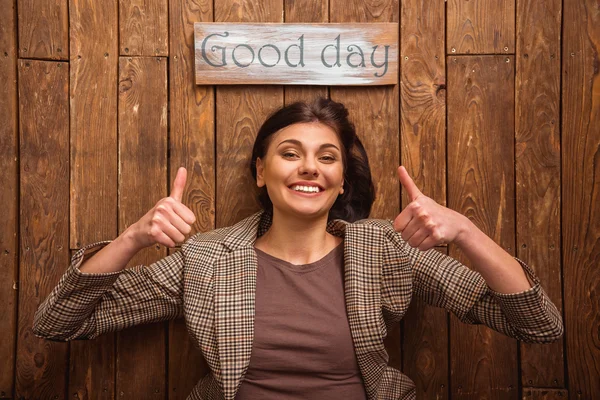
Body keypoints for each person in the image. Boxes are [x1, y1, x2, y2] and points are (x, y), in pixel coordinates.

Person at [33, 97, 563, 400]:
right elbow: (59, 322)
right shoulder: (208, 260)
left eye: (326, 157)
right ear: (262, 173)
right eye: (291, 153)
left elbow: (538, 324)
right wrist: (133, 239)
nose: (310, 166)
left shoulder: (384, 251)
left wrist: (467, 231)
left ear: (340, 181)